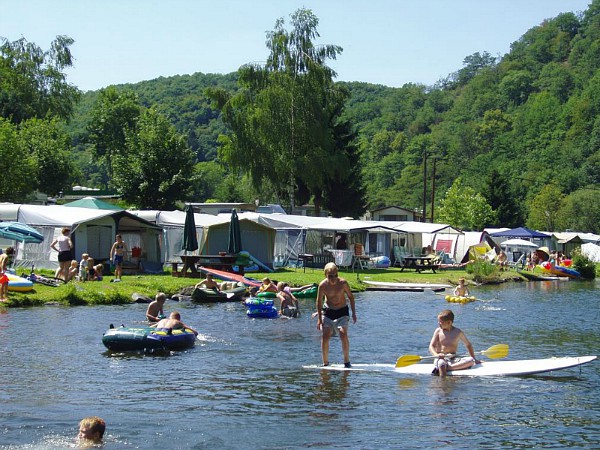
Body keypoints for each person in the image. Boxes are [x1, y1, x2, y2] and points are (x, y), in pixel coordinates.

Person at [316, 262, 357, 368]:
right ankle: (325, 363)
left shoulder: (343, 283)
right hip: (329, 311)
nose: (333, 279)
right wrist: (319, 319)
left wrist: (353, 313)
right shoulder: (323, 285)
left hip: (342, 311)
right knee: (325, 335)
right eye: (330, 276)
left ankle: (346, 362)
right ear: (325, 275)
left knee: (343, 334)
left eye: (335, 275)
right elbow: (319, 302)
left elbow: (351, 297)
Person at [428, 309, 478, 376]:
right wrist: (436, 355)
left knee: (471, 360)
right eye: (439, 321)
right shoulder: (438, 331)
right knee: (441, 364)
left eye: (441, 322)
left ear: (449, 322)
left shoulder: (458, 332)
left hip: (453, 358)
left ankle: (448, 368)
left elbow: (468, 345)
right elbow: (432, 346)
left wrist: (474, 358)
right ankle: (443, 382)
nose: (439, 323)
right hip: (441, 358)